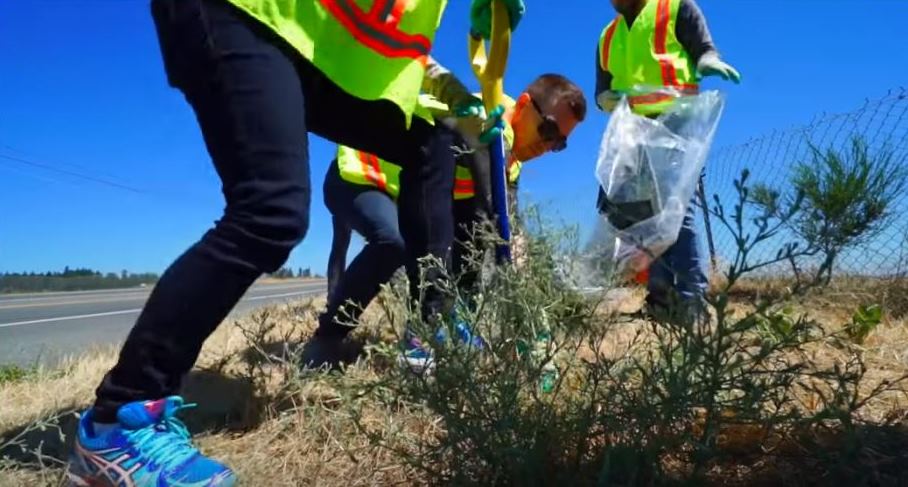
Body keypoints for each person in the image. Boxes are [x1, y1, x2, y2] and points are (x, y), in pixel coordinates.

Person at [66, 0, 526, 485]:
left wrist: (457, 97)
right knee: (270, 212)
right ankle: (116, 423)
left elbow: (393, 41)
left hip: (312, 44)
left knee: (431, 141)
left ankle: (432, 329)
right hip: (244, 12)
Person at [307, 73, 586, 371]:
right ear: (523, 105)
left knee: (474, 240)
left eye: (558, 144)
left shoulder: (510, 165)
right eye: (548, 129)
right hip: (361, 175)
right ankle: (327, 337)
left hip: (409, 198)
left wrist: (530, 312)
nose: (547, 145)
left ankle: (444, 327)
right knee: (392, 242)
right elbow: (487, 169)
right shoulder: (481, 120)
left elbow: (503, 234)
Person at [595, 0, 740, 315]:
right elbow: (602, 91)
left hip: (677, 126)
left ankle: (692, 303)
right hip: (632, 134)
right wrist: (606, 99)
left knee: (678, 213)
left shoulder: (675, 9)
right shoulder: (607, 37)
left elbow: (703, 47)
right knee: (648, 217)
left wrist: (708, 59)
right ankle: (660, 301)